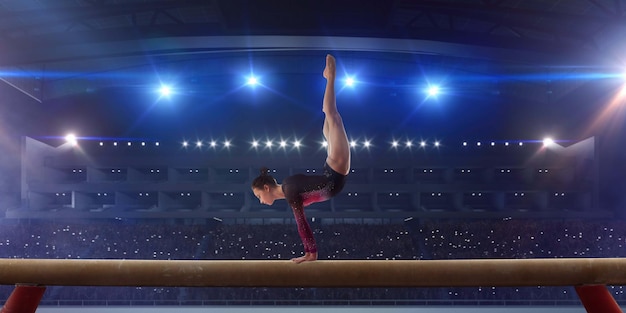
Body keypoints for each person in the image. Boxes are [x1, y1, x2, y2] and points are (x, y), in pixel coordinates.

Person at [251, 54, 351, 264]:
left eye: (259, 196)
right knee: (330, 121)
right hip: (331, 170)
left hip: (334, 173)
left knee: (331, 115)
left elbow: (301, 223)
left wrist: (311, 253)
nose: (260, 201)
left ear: (267, 188)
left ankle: (331, 76)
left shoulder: (289, 191)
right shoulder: (288, 188)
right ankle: (328, 78)